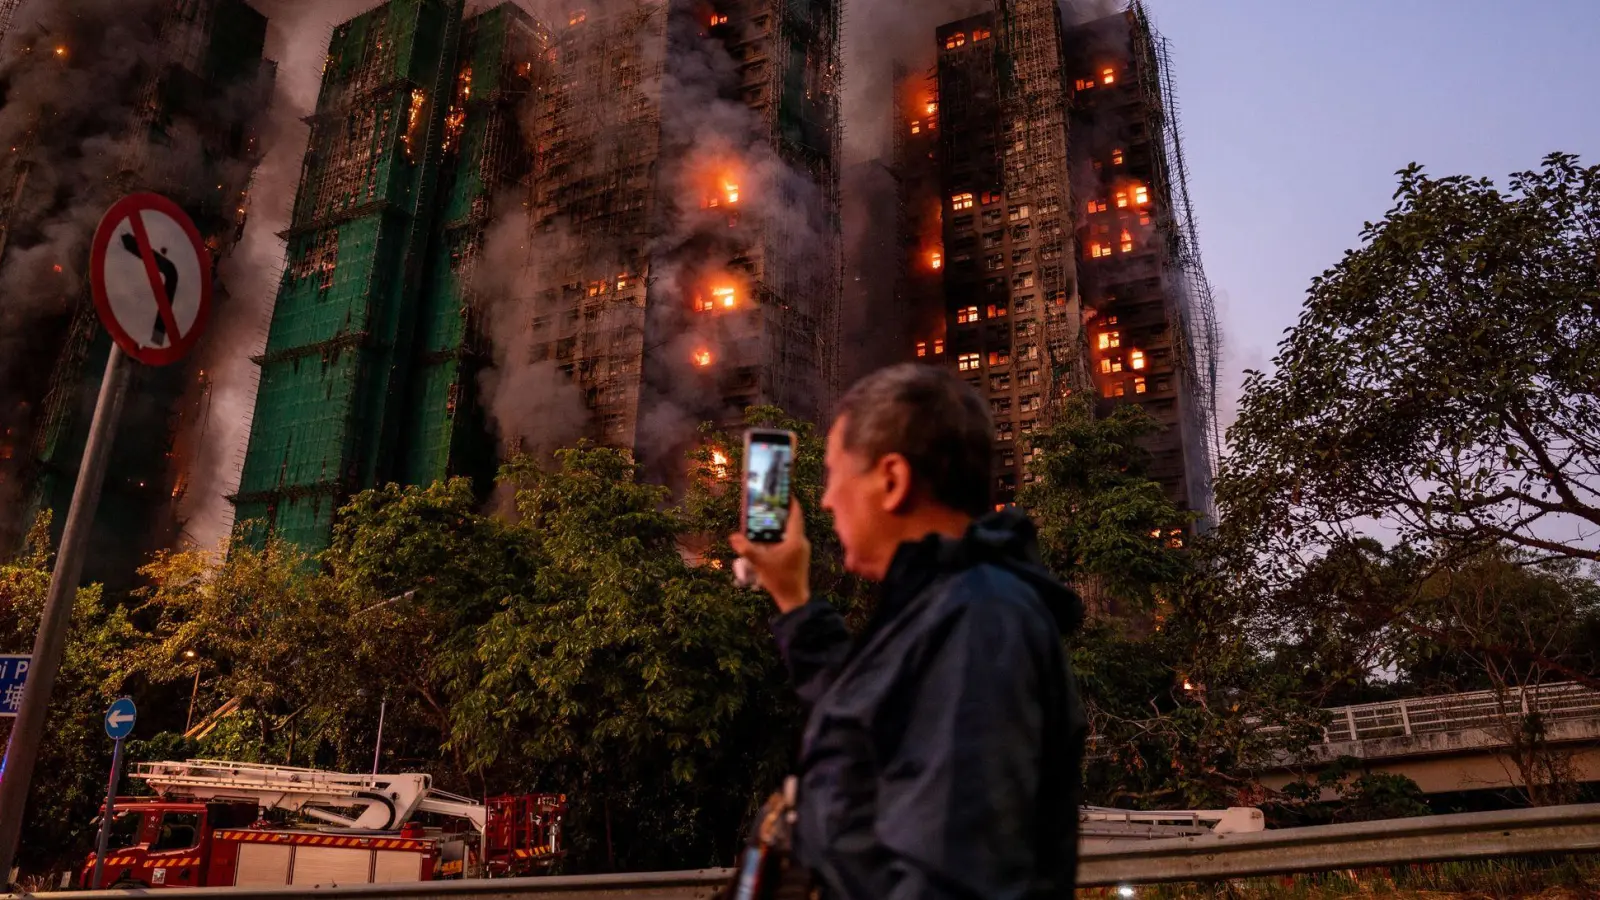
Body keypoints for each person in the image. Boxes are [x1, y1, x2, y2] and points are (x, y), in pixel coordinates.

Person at [731, 363, 1087, 899]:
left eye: (833, 474)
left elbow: (953, 881)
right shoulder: (944, 605)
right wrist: (792, 597)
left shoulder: (982, 621)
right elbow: (869, 723)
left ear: (892, 480)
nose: (825, 501)